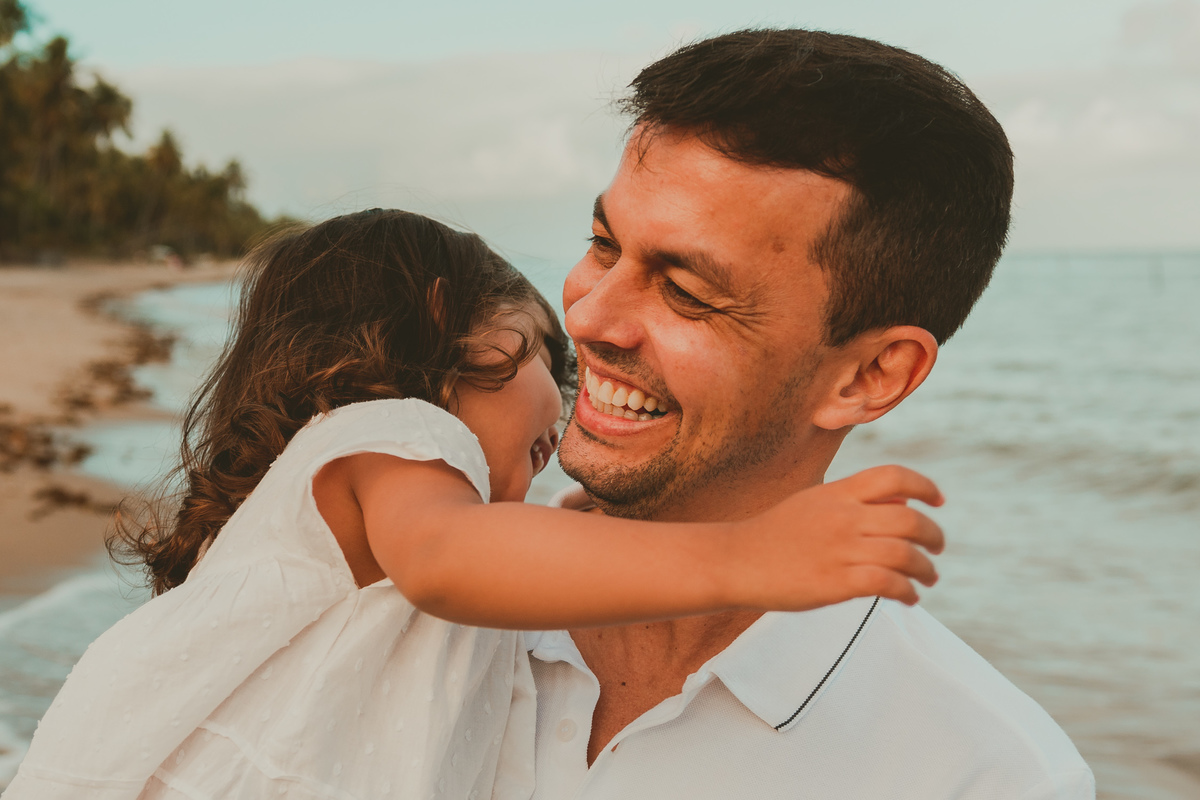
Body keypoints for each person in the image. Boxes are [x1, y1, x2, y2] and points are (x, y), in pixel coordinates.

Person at [3, 210, 946, 800]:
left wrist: (553, 534)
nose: (566, 388)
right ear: (448, 318)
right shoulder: (396, 432)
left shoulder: (374, 479)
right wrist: (747, 555)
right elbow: (447, 560)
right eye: (543, 352)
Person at [527, 29, 1096, 800]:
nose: (591, 317)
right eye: (603, 244)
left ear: (870, 375)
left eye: (686, 292)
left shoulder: (984, 773)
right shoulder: (401, 592)